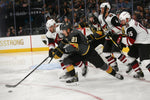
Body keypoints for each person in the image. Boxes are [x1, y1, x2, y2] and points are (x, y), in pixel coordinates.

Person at [51, 24, 124, 83]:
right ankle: (74, 77)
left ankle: (115, 74)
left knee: (102, 66)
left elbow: (74, 46)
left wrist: (63, 50)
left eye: (63, 31)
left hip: (89, 53)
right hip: (80, 53)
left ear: (68, 29)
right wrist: (56, 50)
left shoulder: (75, 33)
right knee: (66, 61)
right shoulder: (67, 34)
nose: (62, 32)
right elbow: (63, 42)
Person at [98, 2, 144, 78]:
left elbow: (120, 26)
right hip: (108, 37)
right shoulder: (100, 17)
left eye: (103, 8)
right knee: (105, 53)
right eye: (101, 8)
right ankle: (114, 65)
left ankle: (129, 64)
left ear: (108, 9)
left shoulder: (112, 17)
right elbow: (102, 27)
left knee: (116, 53)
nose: (101, 10)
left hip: (117, 36)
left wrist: (112, 31)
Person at [119, 11, 150, 78]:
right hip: (139, 42)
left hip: (144, 42)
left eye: (122, 20)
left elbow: (130, 42)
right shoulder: (130, 23)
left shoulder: (131, 26)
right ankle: (139, 73)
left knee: (145, 61)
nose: (121, 22)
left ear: (127, 19)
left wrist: (121, 41)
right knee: (130, 57)